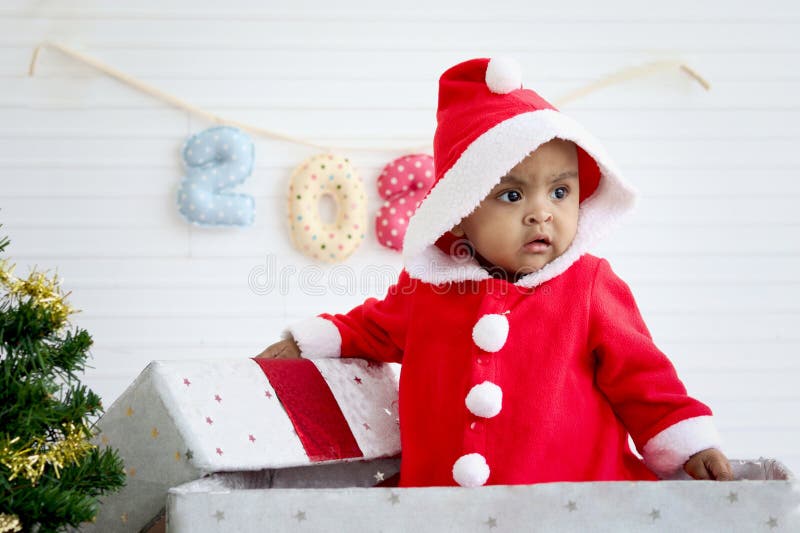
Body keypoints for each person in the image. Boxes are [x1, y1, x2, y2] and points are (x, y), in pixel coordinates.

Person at [257, 57, 733, 487]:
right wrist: (306, 342)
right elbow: (370, 327)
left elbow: (644, 379)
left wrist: (690, 444)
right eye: (511, 195)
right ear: (460, 212)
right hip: (442, 507)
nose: (541, 213)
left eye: (560, 193)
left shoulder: (589, 285)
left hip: (573, 505)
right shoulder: (430, 289)